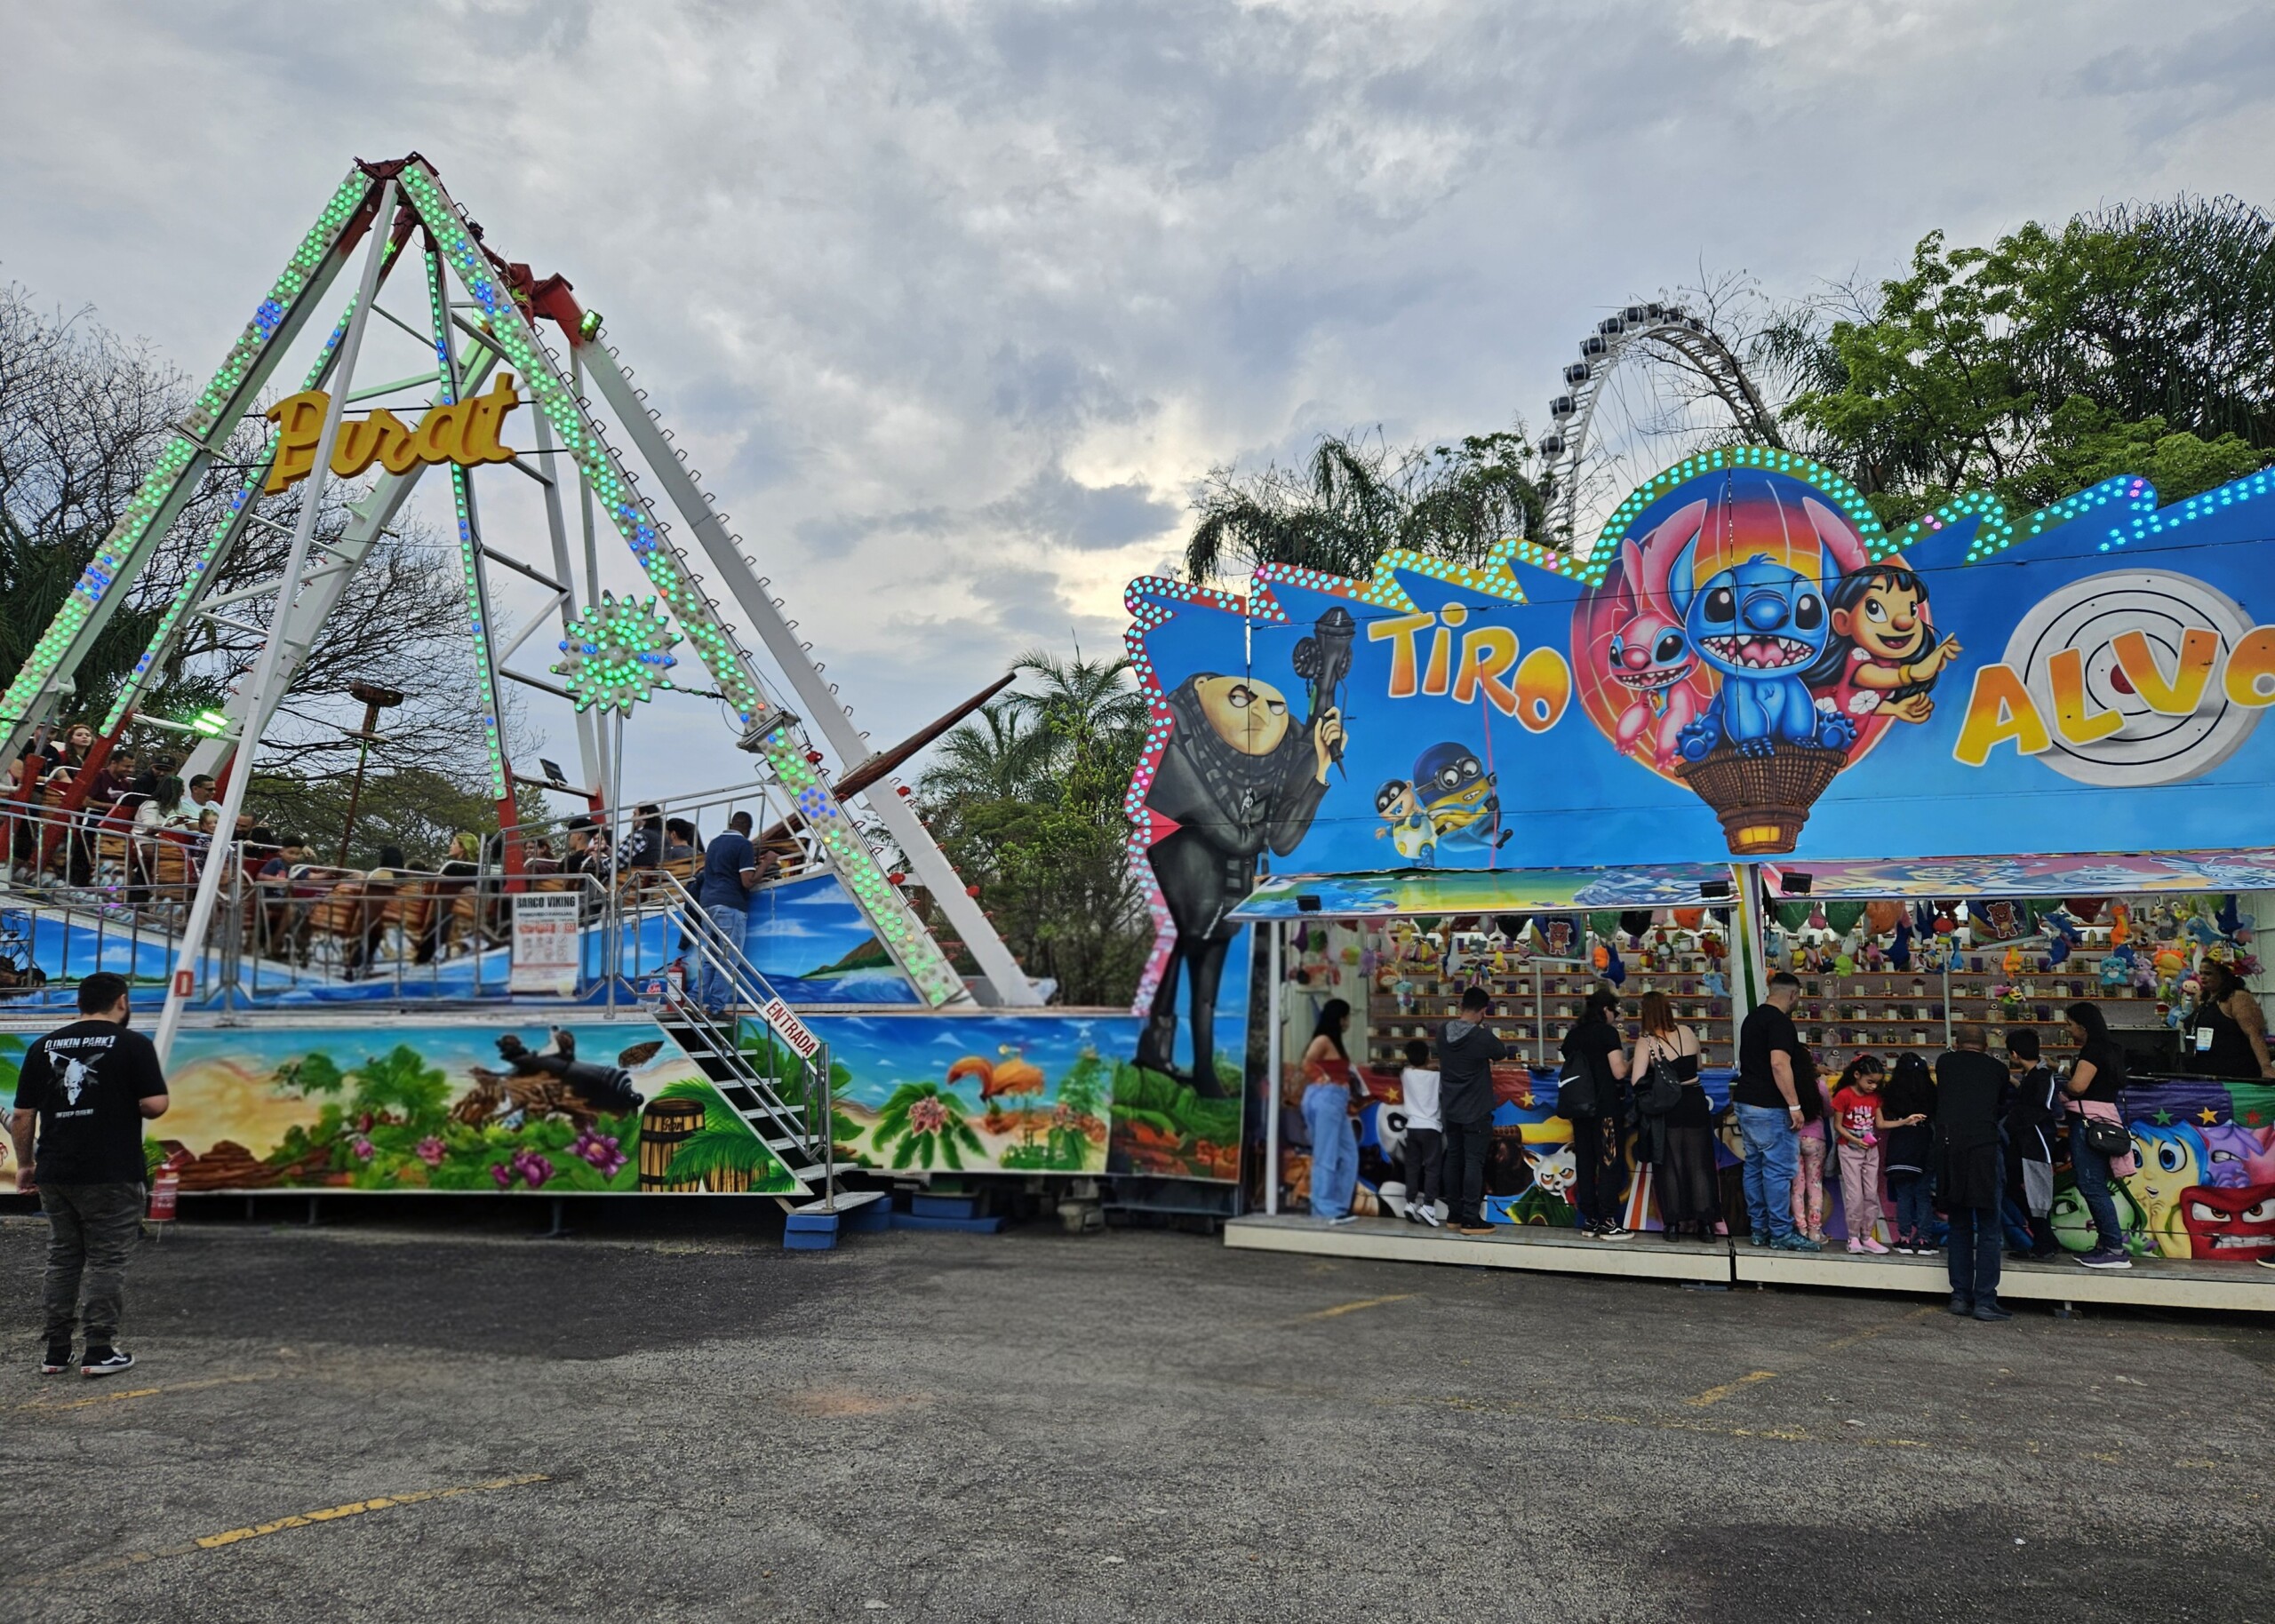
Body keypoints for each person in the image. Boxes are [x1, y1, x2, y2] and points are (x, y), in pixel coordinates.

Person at [6, 973, 170, 1377]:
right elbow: (156, 1105)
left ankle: (56, 1352)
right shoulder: (133, 1044)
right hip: (112, 1171)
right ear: (123, 1001)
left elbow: (24, 1114)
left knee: (63, 1259)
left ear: (79, 1003)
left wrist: (26, 1164)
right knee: (107, 1260)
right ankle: (99, 1350)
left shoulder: (43, 1046)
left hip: (57, 1170)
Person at [1733, 971, 1817, 1250]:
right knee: (1779, 1172)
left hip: (1746, 1103)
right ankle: (1781, 1232)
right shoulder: (1781, 1022)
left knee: (1754, 1169)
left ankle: (1759, 1229)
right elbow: (1779, 1064)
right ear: (1793, 994)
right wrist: (1794, 1105)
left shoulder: (1752, 1018)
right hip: (1771, 1107)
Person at [1935, 1023, 2014, 1319]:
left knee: (1959, 1225)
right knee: (1990, 1227)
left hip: (1949, 1150)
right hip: (1984, 1149)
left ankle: (1959, 1296)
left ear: (1956, 1043)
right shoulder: (1997, 1070)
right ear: (1987, 1047)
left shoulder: (1945, 1063)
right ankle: (1984, 1301)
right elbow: (2001, 1100)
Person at [1631, 989, 1715, 1243]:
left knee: (1669, 1165)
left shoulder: (1646, 1042)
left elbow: (1636, 1080)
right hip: (1695, 1101)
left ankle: (1673, 1226)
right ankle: (1706, 1225)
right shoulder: (1687, 1032)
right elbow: (1699, 1065)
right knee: (1699, 1164)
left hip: (1668, 1107)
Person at [2063, 1000, 2135, 1270]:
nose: (2069, 1030)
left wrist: (2063, 1081)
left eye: (2070, 1024)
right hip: (2106, 1122)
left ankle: (2114, 1248)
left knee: (2091, 1185)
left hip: (2088, 1123)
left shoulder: (2092, 1050)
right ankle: (2107, 1244)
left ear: (2083, 1025)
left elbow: (2079, 1087)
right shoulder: (2111, 1049)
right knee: (2097, 1184)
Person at [1561, 987, 1632, 1238]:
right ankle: (1609, 1221)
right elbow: (1618, 1072)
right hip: (1605, 1109)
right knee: (1609, 1163)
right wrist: (1635, 1061)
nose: (1616, 1016)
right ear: (1605, 1010)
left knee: (1586, 1163)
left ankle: (1589, 1220)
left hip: (1579, 1109)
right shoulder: (1607, 1033)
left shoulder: (1573, 1036)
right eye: (1615, 1010)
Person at [1440, 986, 1509, 1236]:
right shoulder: (1481, 1037)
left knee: (1453, 1159)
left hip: (1450, 1107)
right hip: (1476, 1109)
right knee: (1473, 1162)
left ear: (1460, 1006)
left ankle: (1453, 1215)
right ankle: (1471, 1219)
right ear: (1483, 1011)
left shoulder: (1442, 1032)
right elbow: (1500, 1052)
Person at [694, 810, 763, 1015]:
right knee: (729, 960)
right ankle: (716, 1008)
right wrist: (766, 864)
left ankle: (692, 1000)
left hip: (707, 904)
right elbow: (747, 881)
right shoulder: (744, 845)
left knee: (710, 958)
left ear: (731, 823)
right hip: (730, 905)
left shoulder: (714, 843)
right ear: (748, 829)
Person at [2002, 1028, 2063, 1260]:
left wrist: (2014, 1122)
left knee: (2036, 1193)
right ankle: (2045, 1239)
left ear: (2015, 1054)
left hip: (2036, 1141)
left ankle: (2044, 1244)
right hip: (2026, 1141)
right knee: (2015, 1185)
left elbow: (2045, 1107)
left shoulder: (2043, 1077)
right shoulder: (2034, 1076)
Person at [1299, 999, 1358, 1227]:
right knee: (1326, 1155)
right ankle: (1325, 1208)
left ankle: (1338, 1206)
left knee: (1349, 1155)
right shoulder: (1323, 1040)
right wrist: (1322, 1079)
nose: (1348, 1022)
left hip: (1336, 1101)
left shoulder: (1332, 1041)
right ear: (1339, 1018)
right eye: (1347, 1017)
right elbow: (1307, 1062)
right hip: (1327, 1098)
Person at [1830, 1055, 1892, 1254]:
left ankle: (1867, 1236)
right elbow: (1838, 1126)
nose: (1873, 1086)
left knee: (1871, 1195)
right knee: (1855, 1196)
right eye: (1870, 1081)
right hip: (1849, 1149)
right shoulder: (1844, 1095)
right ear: (1857, 1075)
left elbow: (1880, 1124)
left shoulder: (1875, 1098)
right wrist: (1856, 1141)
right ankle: (1853, 1236)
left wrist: (1905, 1121)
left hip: (1870, 1150)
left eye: (1877, 1082)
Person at [1880, 1053, 1936, 1254]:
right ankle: (1924, 1241)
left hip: (1900, 1142)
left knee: (1904, 1194)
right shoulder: (1931, 1091)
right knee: (1923, 1195)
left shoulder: (1891, 1092)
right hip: (1924, 1142)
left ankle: (1903, 1239)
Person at [2192, 959, 2271, 1079]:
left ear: (2223, 975)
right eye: (2201, 973)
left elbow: (2255, 1034)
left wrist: (2266, 1068)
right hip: (2205, 1067)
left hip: (2236, 1069)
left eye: (2208, 973)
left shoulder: (2238, 998)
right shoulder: (2200, 998)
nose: (2203, 977)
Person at [1398, 1037, 1443, 1228]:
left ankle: (1410, 1203)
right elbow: (1437, 1069)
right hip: (1431, 1127)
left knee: (1412, 1166)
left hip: (1412, 1127)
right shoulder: (1436, 1077)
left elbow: (1416, 1065)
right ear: (1428, 1055)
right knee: (1432, 1168)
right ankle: (1429, 1206)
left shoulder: (1405, 1073)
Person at [1791, 1059, 1833, 1246]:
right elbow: (1828, 1110)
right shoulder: (1820, 1086)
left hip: (1793, 1138)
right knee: (1814, 1185)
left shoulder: (1788, 1087)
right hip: (1816, 1139)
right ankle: (1815, 1231)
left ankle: (1800, 1228)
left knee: (1796, 1188)